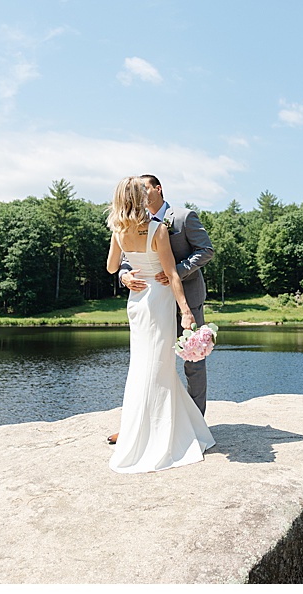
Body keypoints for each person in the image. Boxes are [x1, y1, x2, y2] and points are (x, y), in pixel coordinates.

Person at [106, 177, 214, 473]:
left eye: (147, 188)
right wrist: (125, 277)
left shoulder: (181, 217)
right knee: (154, 365)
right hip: (157, 299)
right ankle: (142, 431)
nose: (144, 193)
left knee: (181, 364)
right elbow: (122, 267)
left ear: (158, 189)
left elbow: (205, 251)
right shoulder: (152, 229)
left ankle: (192, 422)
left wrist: (175, 275)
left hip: (167, 298)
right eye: (139, 190)